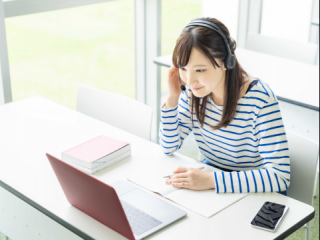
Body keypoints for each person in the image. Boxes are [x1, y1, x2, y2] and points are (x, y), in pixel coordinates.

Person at [159, 17, 290, 196]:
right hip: (213, 177)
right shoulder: (192, 91)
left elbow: (279, 177)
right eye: (183, 68)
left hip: (257, 188)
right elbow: (168, 146)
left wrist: (212, 181)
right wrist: (173, 98)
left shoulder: (260, 100)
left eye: (200, 70)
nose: (189, 81)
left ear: (227, 62)